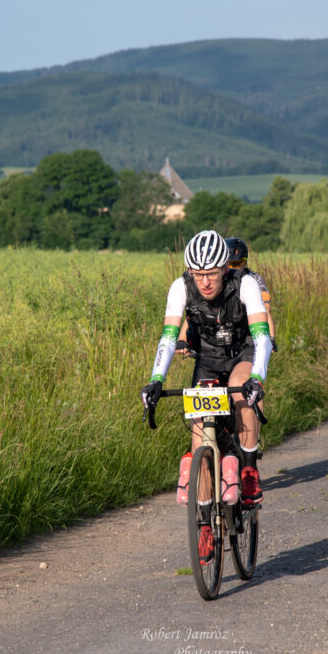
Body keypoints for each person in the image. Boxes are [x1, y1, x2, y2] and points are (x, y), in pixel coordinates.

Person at [140, 230, 273, 562]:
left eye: (212, 274)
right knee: (199, 439)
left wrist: (257, 377)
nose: (205, 282)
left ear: (225, 268)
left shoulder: (245, 284)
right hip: (208, 358)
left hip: (243, 352)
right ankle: (203, 525)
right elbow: (169, 337)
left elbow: (262, 336)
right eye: (198, 275)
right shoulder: (180, 287)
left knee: (243, 395)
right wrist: (156, 379)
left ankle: (248, 468)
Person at [176, 236, 277, 355]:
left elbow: (266, 309)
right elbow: (195, 309)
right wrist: (182, 340)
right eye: (230, 264)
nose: (234, 268)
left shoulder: (253, 279)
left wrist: (270, 337)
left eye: (238, 263)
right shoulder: (215, 277)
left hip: (243, 331)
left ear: (245, 262)